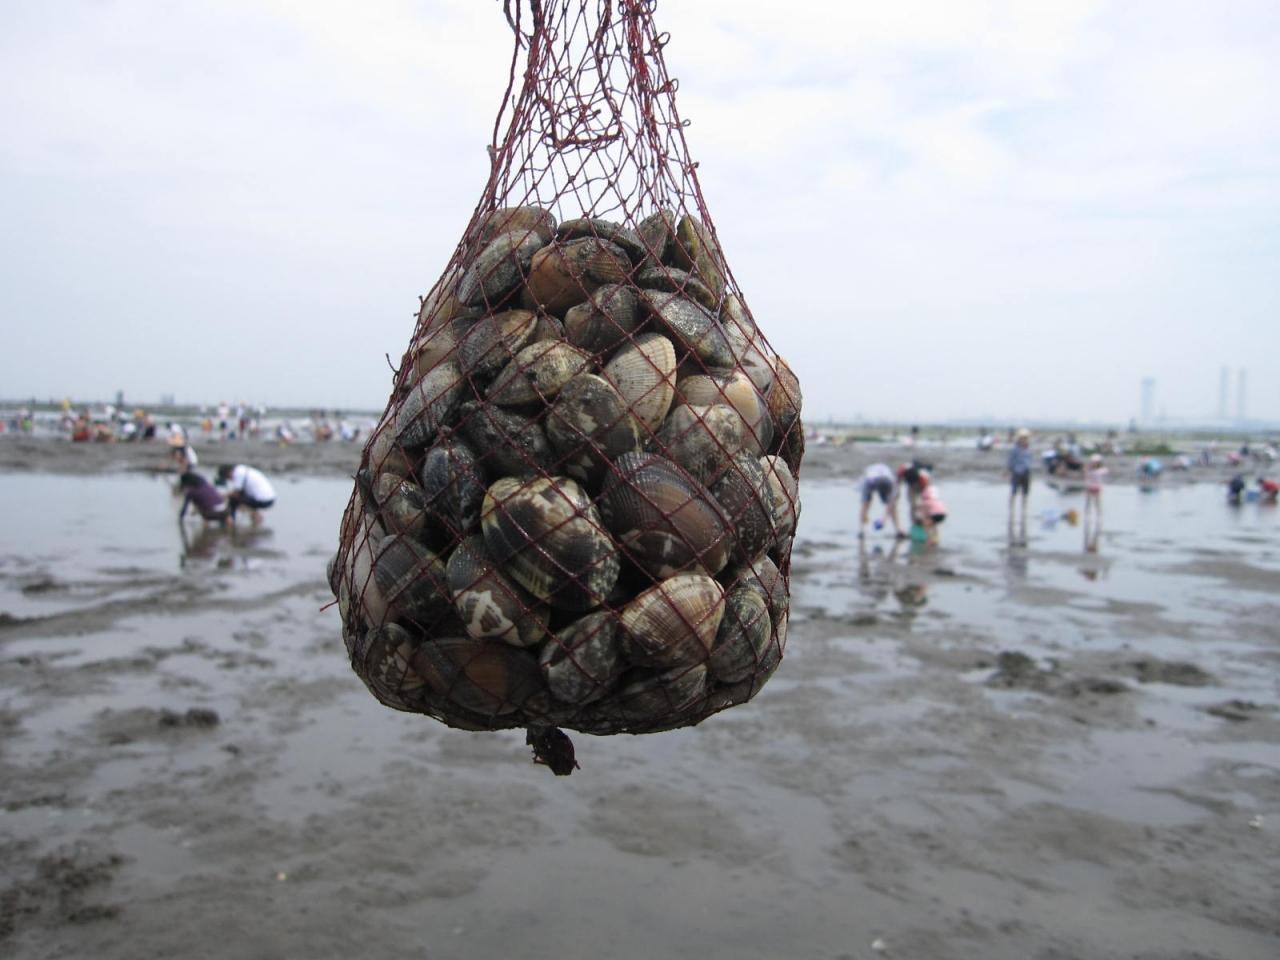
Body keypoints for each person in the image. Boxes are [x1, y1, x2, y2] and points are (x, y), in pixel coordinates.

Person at [857, 462, 904, 538]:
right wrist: (883, 520)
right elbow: (891, 503)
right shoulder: (891, 479)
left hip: (873, 479)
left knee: (866, 505)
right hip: (876, 480)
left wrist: (882, 520)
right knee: (892, 505)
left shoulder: (891, 481)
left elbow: (865, 502)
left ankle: (861, 530)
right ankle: (898, 530)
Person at [1007, 428, 1033, 537]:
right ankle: (1011, 512)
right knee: (1014, 492)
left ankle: (1024, 512)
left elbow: (1030, 460)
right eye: (1023, 438)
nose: (1024, 440)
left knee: (1025, 493)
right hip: (1017, 472)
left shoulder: (1028, 449)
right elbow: (1010, 461)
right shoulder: (1015, 449)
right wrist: (1010, 470)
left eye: (1026, 438)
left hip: (1026, 472)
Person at [1083, 453, 1107, 551]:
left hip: (1096, 487)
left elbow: (1105, 471)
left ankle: (1099, 517)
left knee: (1097, 503)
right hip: (1090, 487)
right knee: (1088, 503)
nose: (1094, 463)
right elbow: (1086, 473)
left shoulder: (1100, 470)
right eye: (1093, 462)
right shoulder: (1089, 470)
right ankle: (1087, 516)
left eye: (1095, 462)